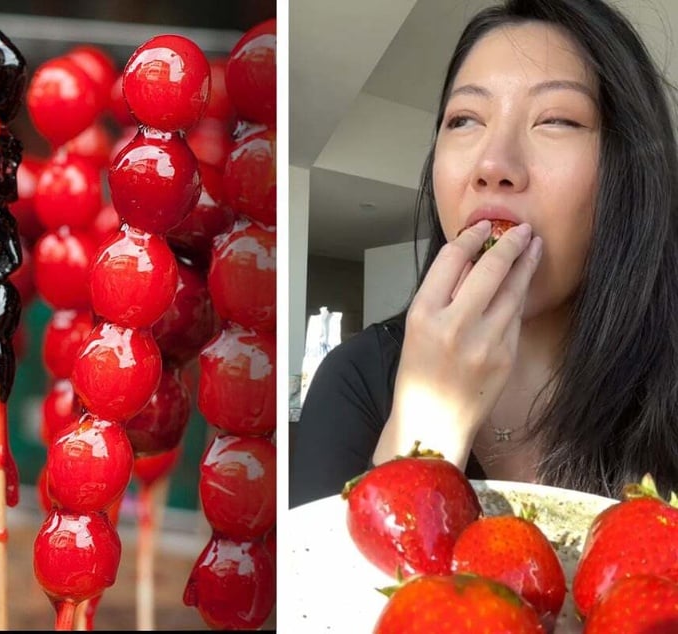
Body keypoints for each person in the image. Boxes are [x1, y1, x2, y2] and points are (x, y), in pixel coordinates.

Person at [289, 0, 678, 508]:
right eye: (465, 119)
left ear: (631, 175)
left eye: (557, 120)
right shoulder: (356, 378)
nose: (494, 164)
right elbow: (316, 583)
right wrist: (426, 422)